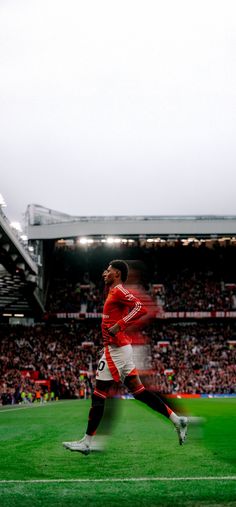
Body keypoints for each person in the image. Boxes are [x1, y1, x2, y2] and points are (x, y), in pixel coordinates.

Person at [63, 259, 188, 454]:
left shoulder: (120, 290)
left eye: (108, 270)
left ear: (117, 274)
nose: (104, 273)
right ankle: (177, 420)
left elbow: (141, 308)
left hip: (117, 350)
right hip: (116, 348)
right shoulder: (113, 291)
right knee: (139, 392)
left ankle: (87, 443)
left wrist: (120, 324)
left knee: (99, 394)